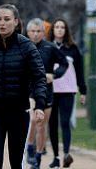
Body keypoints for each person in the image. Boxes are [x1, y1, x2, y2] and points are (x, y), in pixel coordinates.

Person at [0, 4, 47, 169]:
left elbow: (38, 77)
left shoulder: (27, 47)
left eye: (7, 19)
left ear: (16, 22)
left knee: (16, 161)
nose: (2, 23)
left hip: (18, 112)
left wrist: (39, 104)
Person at [25, 18, 69, 169]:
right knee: (33, 119)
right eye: (33, 31)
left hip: (46, 91)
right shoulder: (21, 47)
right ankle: (29, 148)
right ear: (28, 32)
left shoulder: (50, 47)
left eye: (39, 31)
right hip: (28, 90)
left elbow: (65, 63)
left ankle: (37, 159)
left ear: (43, 33)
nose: (36, 34)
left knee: (42, 126)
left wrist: (54, 75)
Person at [46, 18, 87, 168]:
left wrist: (83, 90)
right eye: (56, 27)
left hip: (68, 90)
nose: (59, 30)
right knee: (52, 123)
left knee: (65, 122)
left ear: (66, 30)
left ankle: (66, 154)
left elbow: (80, 70)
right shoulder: (47, 47)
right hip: (50, 89)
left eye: (62, 27)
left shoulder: (73, 49)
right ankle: (56, 157)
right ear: (53, 30)